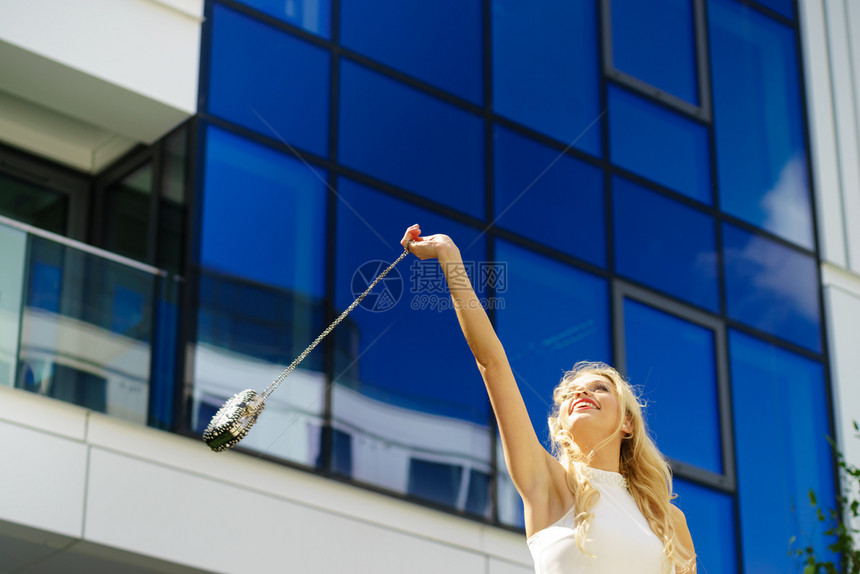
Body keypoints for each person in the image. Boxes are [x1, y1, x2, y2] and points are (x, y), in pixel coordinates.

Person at [400, 224, 696, 574]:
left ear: (628, 422)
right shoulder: (548, 483)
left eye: (599, 388)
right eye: (571, 393)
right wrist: (450, 257)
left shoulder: (666, 518)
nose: (582, 392)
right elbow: (491, 363)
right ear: (563, 423)